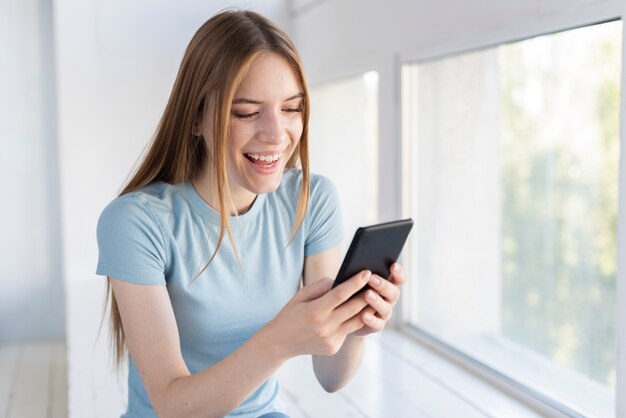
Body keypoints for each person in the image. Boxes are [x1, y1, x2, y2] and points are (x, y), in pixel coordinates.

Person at [96, 9, 407, 418]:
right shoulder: (135, 223)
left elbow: (332, 378)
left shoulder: (312, 200)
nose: (276, 134)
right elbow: (172, 405)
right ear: (196, 118)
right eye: (246, 112)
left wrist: (354, 329)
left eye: (292, 109)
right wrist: (279, 340)